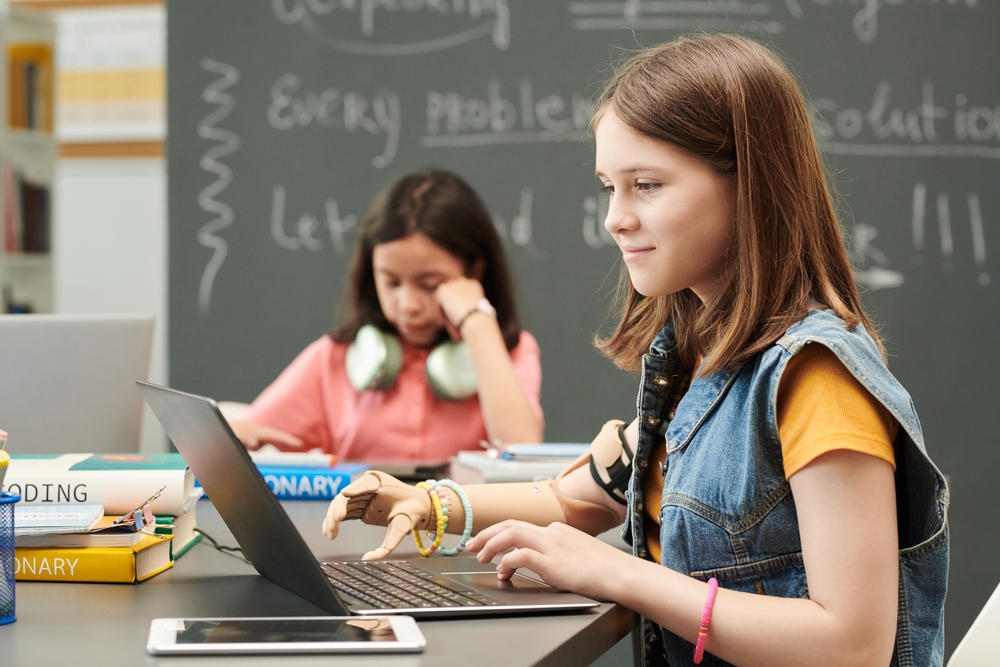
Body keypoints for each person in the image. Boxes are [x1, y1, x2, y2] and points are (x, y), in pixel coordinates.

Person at [321, 34, 948, 667]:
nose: (614, 219)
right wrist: (427, 502)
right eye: (607, 188)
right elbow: (583, 497)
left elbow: (853, 644)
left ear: (750, 186)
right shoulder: (691, 355)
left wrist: (619, 575)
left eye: (645, 185)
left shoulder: (816, 377)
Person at [230, 169, 544, 460]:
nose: (407, 303)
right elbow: (248, 435)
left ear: (474, 270)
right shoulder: (333, 359)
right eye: (391, 282)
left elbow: (522, 454)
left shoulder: (512, 352)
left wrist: (477, 322)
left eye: (429, 284)